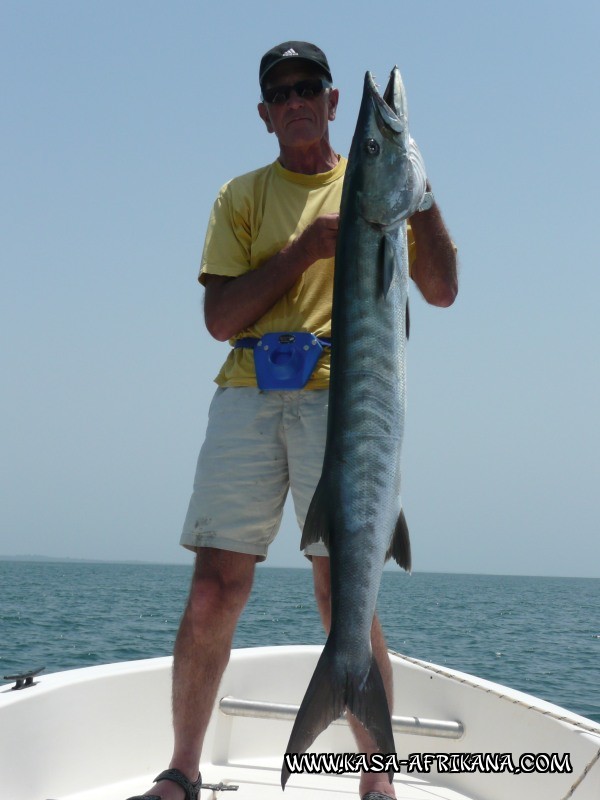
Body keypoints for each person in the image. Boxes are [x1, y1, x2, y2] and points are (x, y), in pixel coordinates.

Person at [128, 41, 457, 800]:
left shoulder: (380, 182)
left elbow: (440, 291)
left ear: (334, 102)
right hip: (247, 391)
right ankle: (182, 769)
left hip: (343, 397)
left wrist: (424, 193)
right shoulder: (239, 197)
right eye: (281, 92)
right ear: (265, 113)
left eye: (310, 86)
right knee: (215, 588)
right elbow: (218, 317)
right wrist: (306, 250)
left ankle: (379, 780)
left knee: (343, 590)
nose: (296, 99)